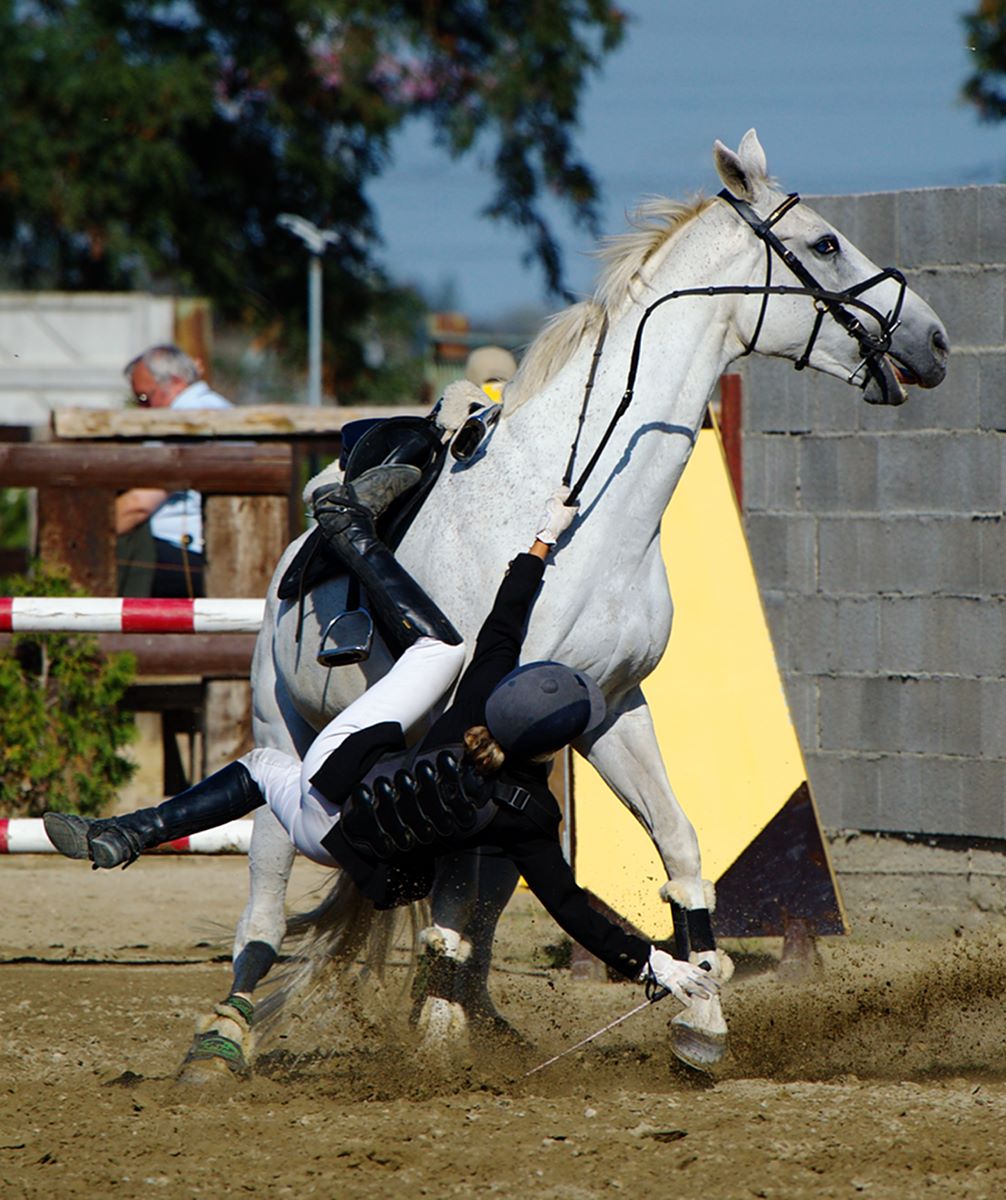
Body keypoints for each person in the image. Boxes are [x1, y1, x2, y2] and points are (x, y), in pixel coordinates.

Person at [45, 469, 717, 1010]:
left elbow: (506, 618)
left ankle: (349, 532)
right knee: (276, 771)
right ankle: (134, 831)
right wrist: (653, 964)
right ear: (551, 750)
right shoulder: (532, 816)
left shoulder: (478, 698)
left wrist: (545, 536)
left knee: (438, 651)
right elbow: (570, 908)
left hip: (328, 793)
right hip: (350, 856)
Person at [115, 343, 233, 598]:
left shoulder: (186, 418)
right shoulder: (219, 407)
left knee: (110, 553)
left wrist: (93, 535)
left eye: (144, 398)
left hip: (185, 551)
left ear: (176, 382)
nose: (141, 410)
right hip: (217, 546)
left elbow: (138, 505)